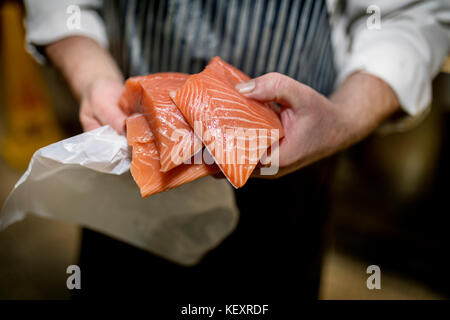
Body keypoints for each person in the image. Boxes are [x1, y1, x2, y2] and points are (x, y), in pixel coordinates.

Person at [24, 0, 449, 302]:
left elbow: (407, 17)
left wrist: (341, 117)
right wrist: (94, 78)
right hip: (134, 151)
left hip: (295, 160)